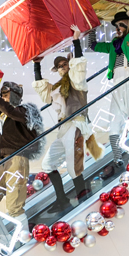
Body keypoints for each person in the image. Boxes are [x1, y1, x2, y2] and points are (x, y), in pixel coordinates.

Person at [34, 25, 99, 214]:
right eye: (60, 66)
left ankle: (83, 199)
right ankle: (62, 199)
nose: (63, 68)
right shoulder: (56, 87)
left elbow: (79, 66)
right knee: (47, 164)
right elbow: (43, 91)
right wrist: (37, 65)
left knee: (74, 167)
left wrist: (77, 40)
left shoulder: (77, 81)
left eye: (64, 65)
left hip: (77, 124)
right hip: (63, 128)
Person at [85, 0, 129, 169]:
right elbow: (93, 46)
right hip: (116, 83)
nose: (118, 28)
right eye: (116, 26)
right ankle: (117, 156)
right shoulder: (114, 44)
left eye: (122, 25)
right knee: (114, 119)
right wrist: (91, 26)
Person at [0, 81, 44, 227]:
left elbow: (11, 111)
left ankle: (21, 242)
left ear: (15, 95)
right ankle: (3, 236)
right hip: (2, 160)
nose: (3, 98)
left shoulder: (26, 111)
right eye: (2, 96)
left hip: (17, 158)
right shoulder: (4, 115)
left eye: (6, 95)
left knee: (14, 208)